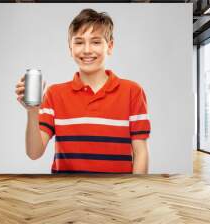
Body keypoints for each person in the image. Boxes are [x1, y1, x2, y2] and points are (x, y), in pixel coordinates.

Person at [15, 8, 151, 174]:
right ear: (70, 49)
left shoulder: (132, 91)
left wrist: (134, 192)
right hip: (67, 194)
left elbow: (140, 152)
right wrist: (32, 111)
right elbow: (34, 153)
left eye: (95, 42)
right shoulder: (54, 94)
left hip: (116, 194)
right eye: (79, 42)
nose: (87, 50)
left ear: (110, 46)